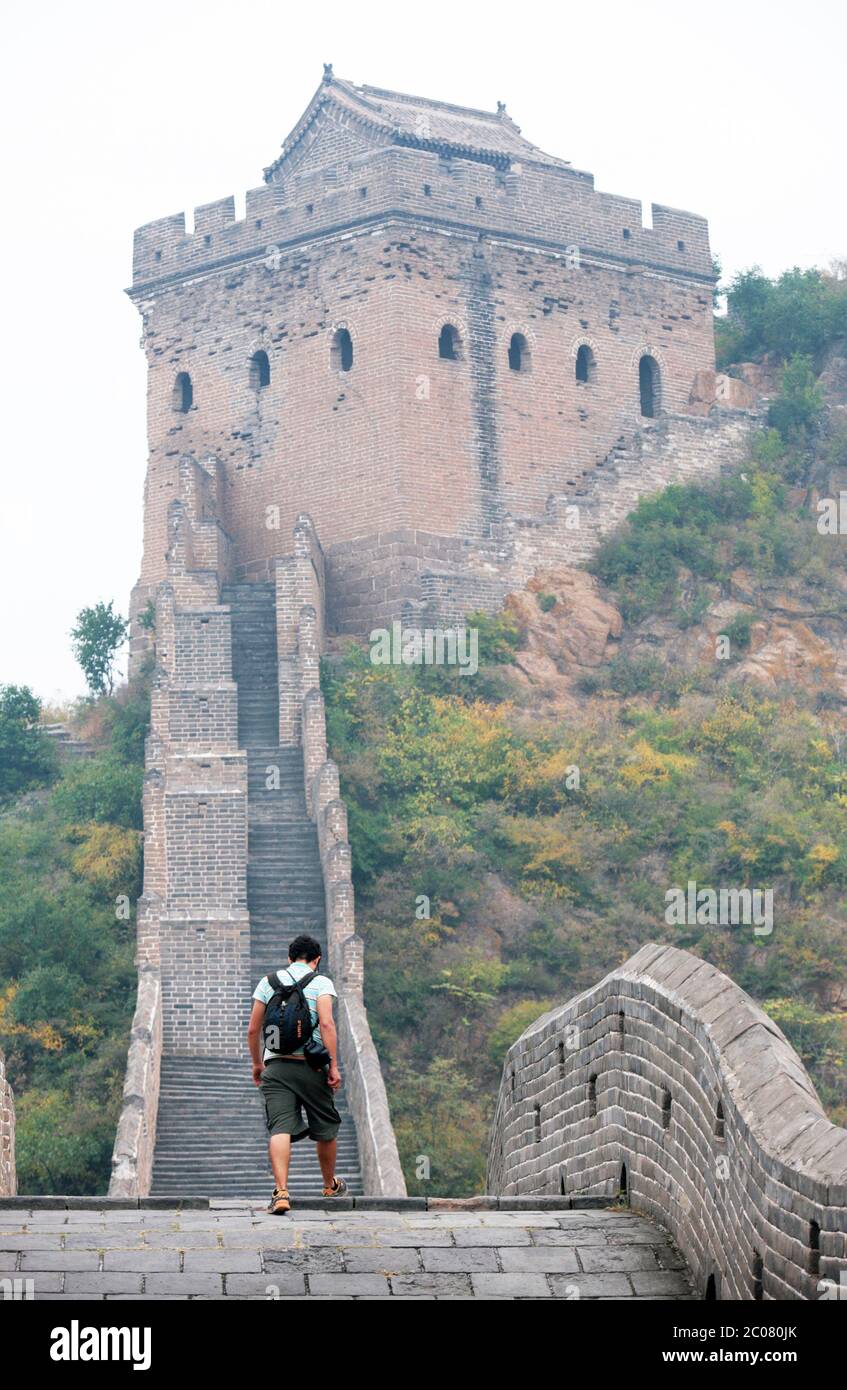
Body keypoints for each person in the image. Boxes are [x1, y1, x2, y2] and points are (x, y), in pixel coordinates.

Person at [247, 933, 347, 1215]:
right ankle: (329, 1185)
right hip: (312, 1066)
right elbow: (326, 1024)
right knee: (326, 1127)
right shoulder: (321, 982)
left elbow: (253, 1029)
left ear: (289, 958)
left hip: (276, 1066)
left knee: (279, 1126)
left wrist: (258, 1064)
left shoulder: (268, 982)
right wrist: (334, 1066)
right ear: (316, 960)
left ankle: (281, 1191)